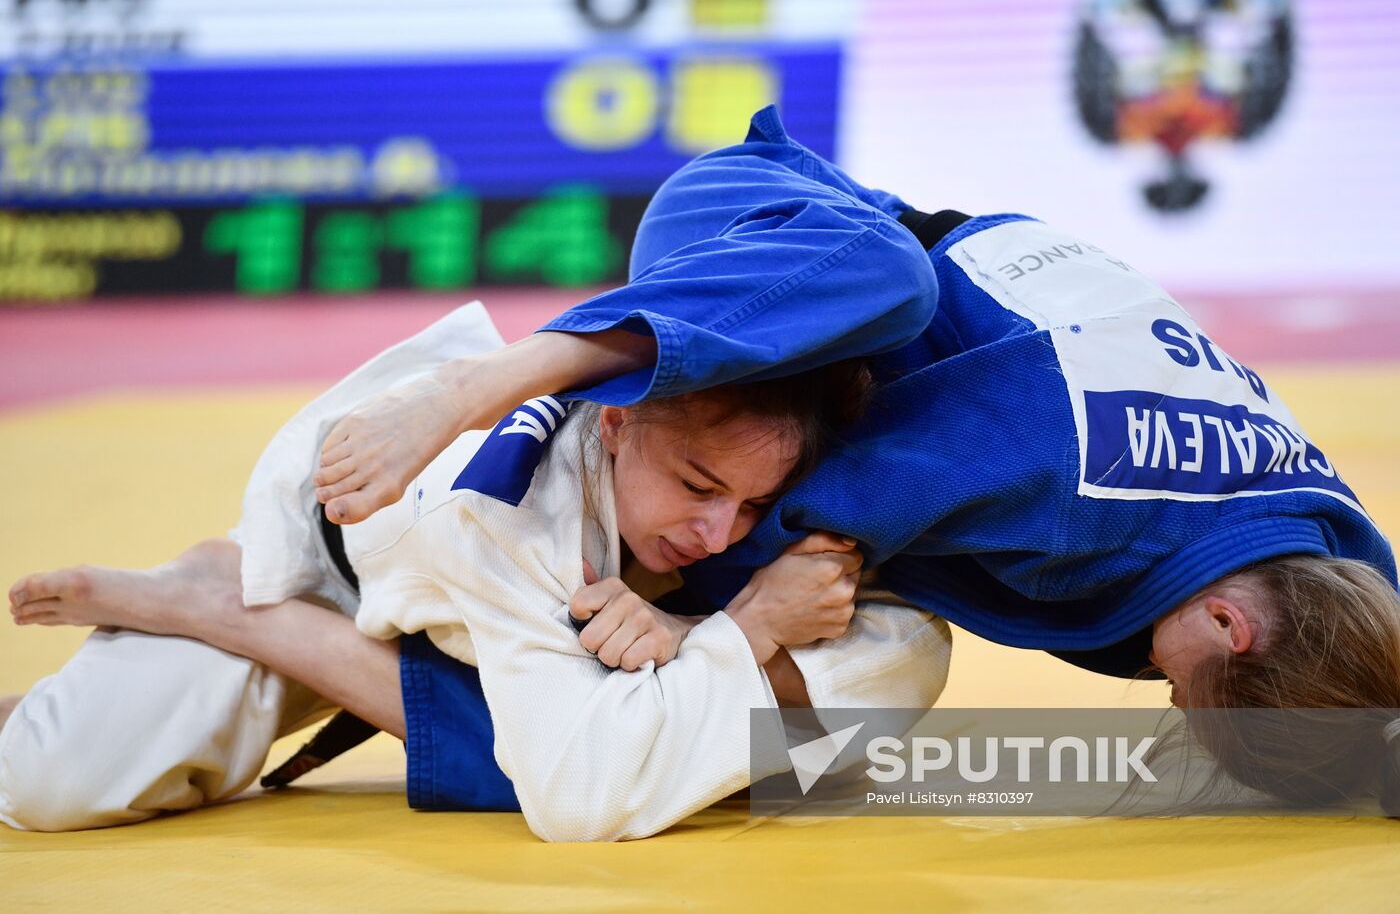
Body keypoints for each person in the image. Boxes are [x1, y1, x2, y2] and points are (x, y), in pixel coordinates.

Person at [298, 106, 1400, 810]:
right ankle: (479, 387)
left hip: (810, 405)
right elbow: (802, 516)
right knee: (889, 278)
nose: (1163, 696)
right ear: (1226, 622)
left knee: (724, 750)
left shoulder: (1339, 560)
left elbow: (1366, 681)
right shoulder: (1064, 464)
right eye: (1185, 689)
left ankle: (352, 652)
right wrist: (706, 625)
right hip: (770, 249)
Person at [0, 302, 952, 838]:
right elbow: (580, 799)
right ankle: (237, 612)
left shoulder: (751, 470)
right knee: (50, 776)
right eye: (698, 484)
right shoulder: (504, 509)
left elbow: (904, 643)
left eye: (748, 505)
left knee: (803, 742)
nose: (716, 532)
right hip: (341, 583)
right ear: (615, 428)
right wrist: (743, 630)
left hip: (488, 622)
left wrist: (687, 633)